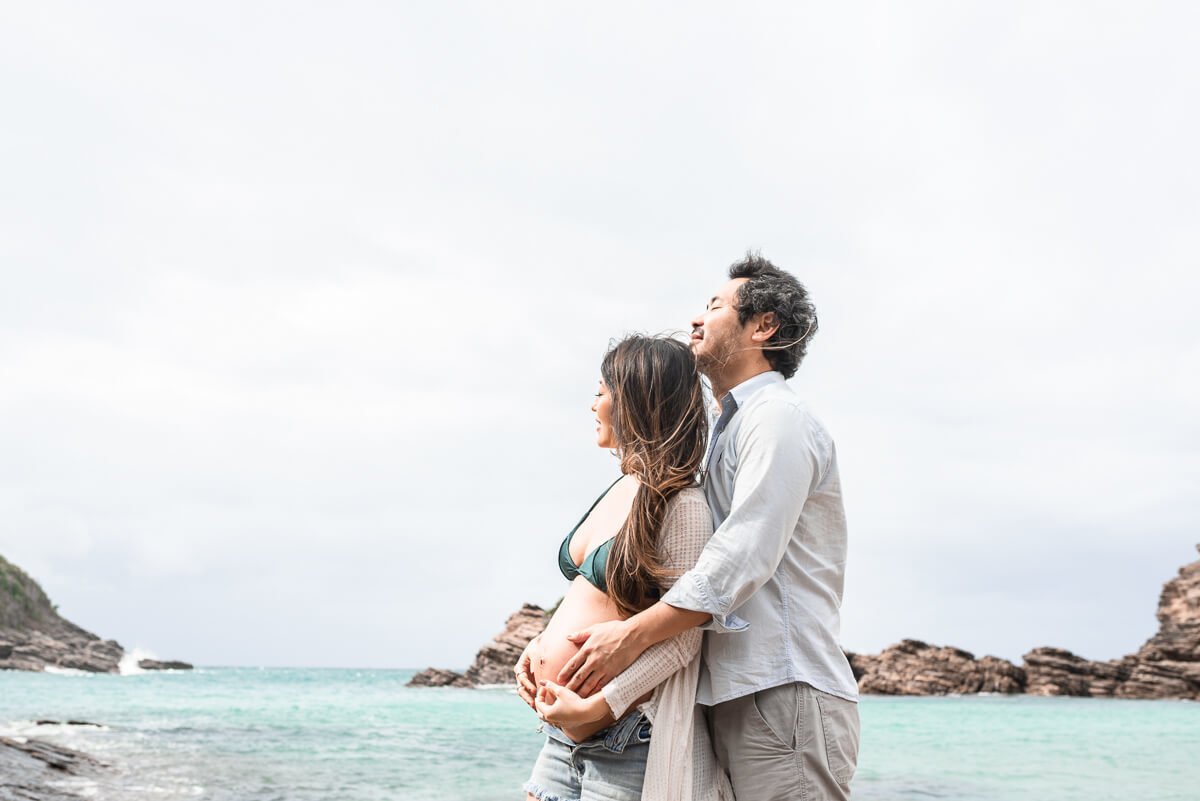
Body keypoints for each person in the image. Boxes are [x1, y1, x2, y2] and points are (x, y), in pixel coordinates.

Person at [555, 254, 860, 800]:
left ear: (763, 327)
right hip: (739, 690)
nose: (697, 320)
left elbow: (742, 555)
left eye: (715, 307)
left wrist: (628, 637)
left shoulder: (777, 418)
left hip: (781, 686)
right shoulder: (733, 425)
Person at [514, 334, 734, 801]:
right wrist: (536, 645)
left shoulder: (684, 504)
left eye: (601, 392)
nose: (593, 405)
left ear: (635, 400)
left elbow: (684, 640)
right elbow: (590, 601)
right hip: (561, 738)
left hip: (626, 738)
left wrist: (596, 706)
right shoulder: (620, 487)